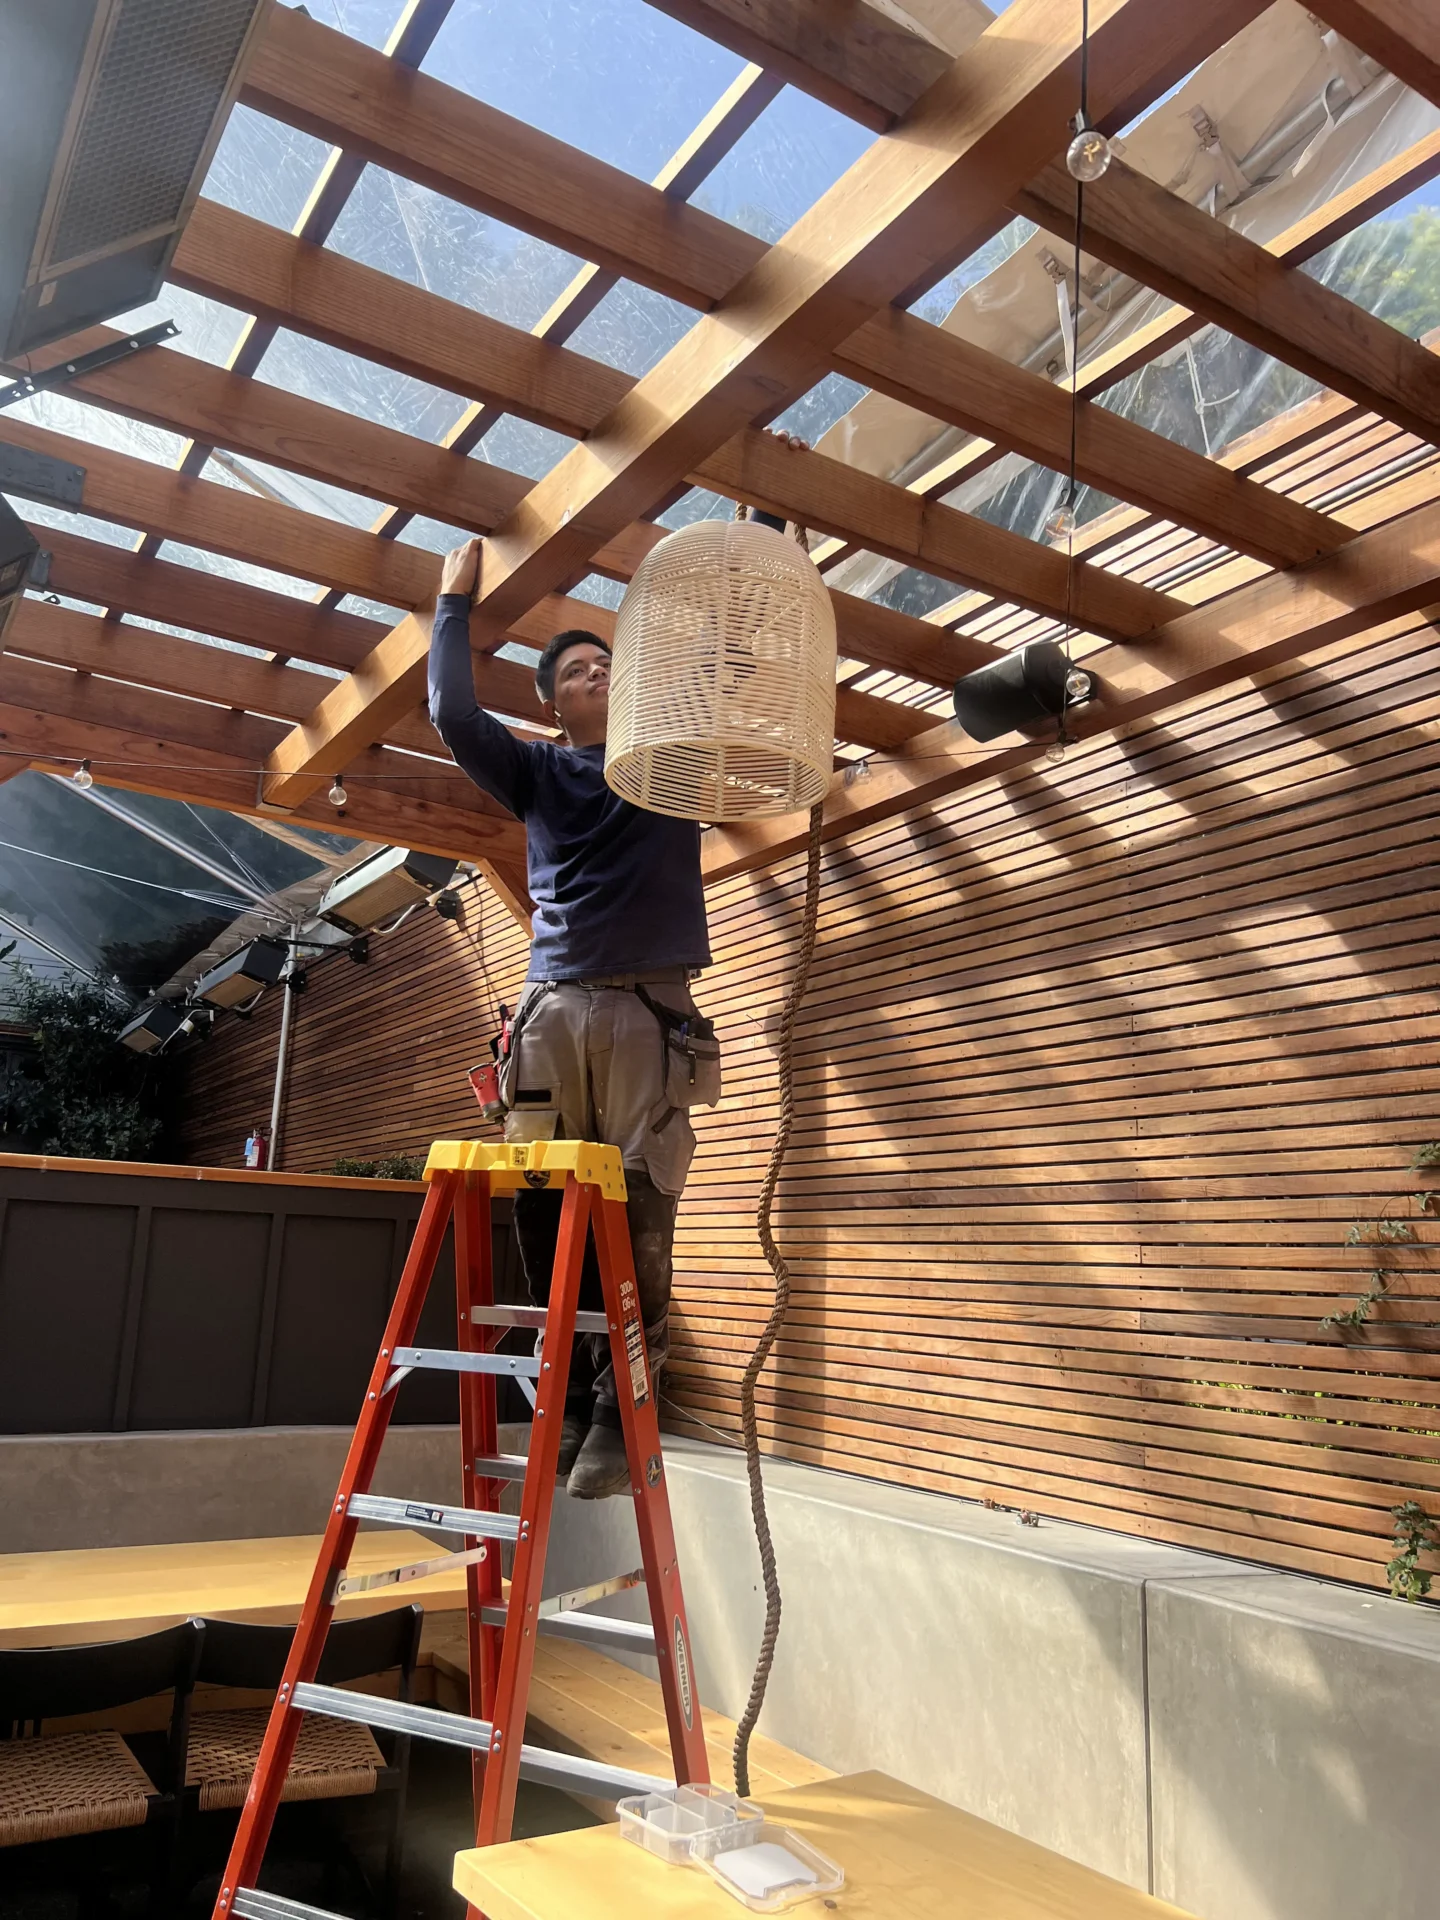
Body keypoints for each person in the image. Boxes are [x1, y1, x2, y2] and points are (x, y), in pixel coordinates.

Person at [428, 537, 720, 1498]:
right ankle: (569, 1390)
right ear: (552, 703)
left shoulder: (668, 763)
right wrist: (453, 606)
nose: (597, 673)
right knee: (546, 1196)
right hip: (551, 1008)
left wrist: (760, 534)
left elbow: (725, 667)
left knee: (640, 1199)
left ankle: (623, 1403)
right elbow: (452, 713)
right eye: (577, 671)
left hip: (648, 1009)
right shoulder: (537, 772)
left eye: (608, 664)